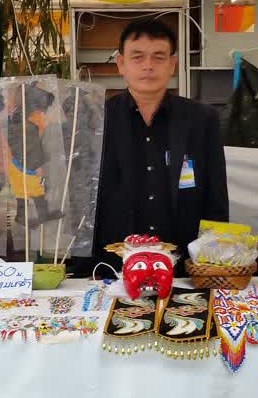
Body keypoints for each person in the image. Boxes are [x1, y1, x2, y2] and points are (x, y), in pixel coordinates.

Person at [95, 19, 228, 274]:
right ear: (121, 64)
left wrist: (212, 262)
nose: (148, 66)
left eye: (158, 57)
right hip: (111, 268)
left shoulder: (201, 119)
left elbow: (216, 197)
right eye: (137, 57)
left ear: (172, 65)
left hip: (185, 267)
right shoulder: (96, 118)